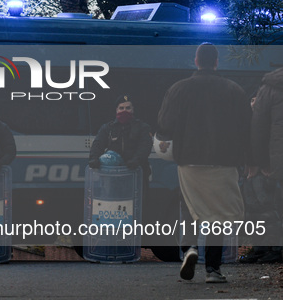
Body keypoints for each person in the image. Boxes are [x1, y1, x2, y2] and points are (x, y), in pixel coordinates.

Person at [158, 42, 250, 283]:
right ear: (217, 62)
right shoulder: (234, 90)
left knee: (192, 208)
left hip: (189, 161)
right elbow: (245, 129)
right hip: (225, 161)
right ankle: (213, 269)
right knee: (218, 217)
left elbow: (165, 125)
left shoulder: (179, 89)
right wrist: (247, 159)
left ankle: (190, 248)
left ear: (196, 61)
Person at [249, 66, 283, 263]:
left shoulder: (269, 87)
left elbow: (259, 127)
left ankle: (275, 249)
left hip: (278, 159)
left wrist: (260, 161)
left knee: (275, 205)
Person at [88, 94, 153, 178]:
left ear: (133, 110)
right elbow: (97, 144)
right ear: (116, 110)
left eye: (128, 108)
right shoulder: (108, 128)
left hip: (137, 173)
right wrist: (94, 159)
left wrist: (136, 160)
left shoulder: (143, 127)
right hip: (113, 173)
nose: (124, 111)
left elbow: (145, 147)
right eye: (121, 108)